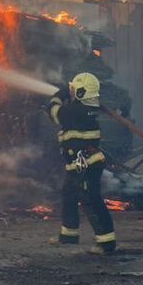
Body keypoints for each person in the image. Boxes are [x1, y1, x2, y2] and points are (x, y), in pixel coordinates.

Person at [47, 72, 116, 254]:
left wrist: (60, 95)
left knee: (90, 200)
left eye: (74, 90)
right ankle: (69, 234)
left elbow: (53, 111)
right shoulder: (86, 110)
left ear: (80, 93)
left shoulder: (75, 112)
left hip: (86, 164)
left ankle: (106, 242)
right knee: (69, 195)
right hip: (78, 164)